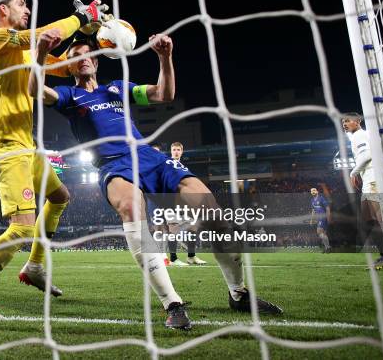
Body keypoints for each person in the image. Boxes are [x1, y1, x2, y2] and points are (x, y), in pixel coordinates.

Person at [29, 29, 283, 327]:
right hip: (114, 166)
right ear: (70, 67)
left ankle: (239, 294)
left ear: (97, 61)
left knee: (213, 213)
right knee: (131, 209)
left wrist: (165, 56)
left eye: (88, 55)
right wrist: (43, 51)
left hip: (150, 158)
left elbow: (164, 94)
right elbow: (35, 89)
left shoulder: (117, 88)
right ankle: (172, 304)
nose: (83, 59)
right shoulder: (68, 96)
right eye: (75, 58)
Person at [0, 0, 109, 319]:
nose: (27, 9)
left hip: (25, 144)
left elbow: (63, 65)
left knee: (60, 196)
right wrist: (81, 17)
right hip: (5, 144)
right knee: (21, 227)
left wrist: (100, 43)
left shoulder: (23, 51)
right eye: (22, 4)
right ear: (3, 10)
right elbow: (46, 36)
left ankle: (33, 267)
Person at [342, 112, 383, 269]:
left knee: (378, 219)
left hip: (373, 179)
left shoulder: (359, 136)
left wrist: (353, 172)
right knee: (370, 220)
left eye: (348, 121)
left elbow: (367, 155)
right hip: (371, 179)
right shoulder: (358, 136)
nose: (344, 124)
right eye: (343, 122)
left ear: (358, 122)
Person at [169, 142, 207, 266]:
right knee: (173, 229)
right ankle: (173, 259)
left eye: (178, 149)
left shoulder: (182, 167)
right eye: (174, 149)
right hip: (172, 203)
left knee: (193, 228)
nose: (176, 152)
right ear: (171, 151)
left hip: (185, 204)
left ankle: (191, 257)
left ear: (182, 151)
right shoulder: (168, 165)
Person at [309, 187, 332, 253]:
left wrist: (328, 217)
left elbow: (327, 208)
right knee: (323, 234)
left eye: (314, 190)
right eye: (311, 191)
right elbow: (313, 211)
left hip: (323, 217)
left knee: (319, 232)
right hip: (319, 218)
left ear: (317, 191)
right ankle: (327, 248)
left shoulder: (321, 198)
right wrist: (311, 219)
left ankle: (328, 247)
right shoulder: (312, 200)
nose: (313, 192)